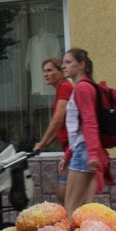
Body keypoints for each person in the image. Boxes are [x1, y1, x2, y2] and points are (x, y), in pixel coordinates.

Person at [58, 48, 114, 216]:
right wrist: (68, 153)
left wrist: (93, 154)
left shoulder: (82, 88)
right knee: (84, 209)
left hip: (84, 151)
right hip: (84, 150)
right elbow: (81, 127)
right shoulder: (86, 87)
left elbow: (90, 122)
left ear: (81, 64)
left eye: (68, 62)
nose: (63, 66)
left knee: (71, 208)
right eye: (63, 62)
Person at [32, 57, 74, 202]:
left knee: (66, 195)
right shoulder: (62, 89)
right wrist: (45, 145)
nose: (45, 74)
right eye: (44, 71)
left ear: (61, 72)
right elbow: (59, 127)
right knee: (69, 196)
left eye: (50, 70)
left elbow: (58, 119)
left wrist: (42, 143)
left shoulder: (65, 87)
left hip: (74, 149)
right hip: (70, 150)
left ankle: (83, 223)